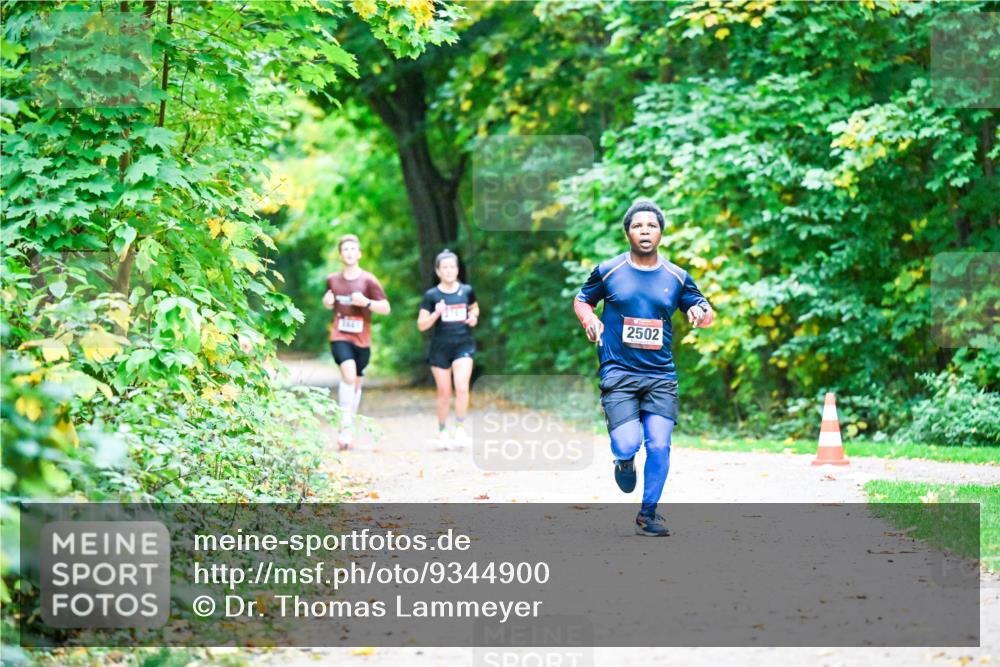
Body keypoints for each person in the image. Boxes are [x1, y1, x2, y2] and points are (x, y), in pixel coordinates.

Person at [573, 199, 714, 536]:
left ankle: (647, 514)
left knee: (660, 444)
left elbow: (703, 309)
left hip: (661, 375)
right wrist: (590, 319)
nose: (645, 231)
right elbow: (582, 300)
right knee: (626, 443)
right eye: (638, 226)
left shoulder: (677, 277)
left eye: (651, 225)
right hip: (618, 371)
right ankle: (623, 460)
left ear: (661, 233)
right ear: (628, 233)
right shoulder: (609, 271)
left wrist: (700, 312)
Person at [323, 234, 391, 450]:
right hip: (340, 336)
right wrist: (327, 302)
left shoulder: (368, 280)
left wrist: (367, 302)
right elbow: (328, 301)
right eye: (345, 249)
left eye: (353, 249)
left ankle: (348, 426)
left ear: (359, 253)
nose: (349, 253)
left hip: (362, 340)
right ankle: (344, 427)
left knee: (356, 384)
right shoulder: (332, 280)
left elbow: (386, 308)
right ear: (340, 254)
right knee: (349, 376)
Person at [417, 249, 479, 450]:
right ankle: (443, 432)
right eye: (445, 267)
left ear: (457, 269)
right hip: (440, 348)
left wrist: (474, 317)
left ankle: (460, 430)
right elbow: (422, 325)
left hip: (463, 345)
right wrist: (436, 313)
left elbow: (475, 308)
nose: (449, 270)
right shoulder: (432, 295)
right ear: (438, 271)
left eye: (453, 266)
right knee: (444, 392)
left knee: (462, 387)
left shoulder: (467, 291)